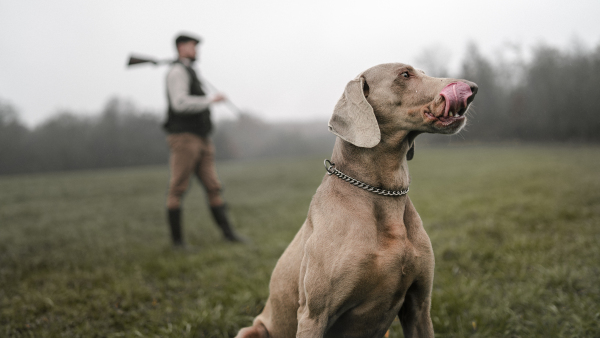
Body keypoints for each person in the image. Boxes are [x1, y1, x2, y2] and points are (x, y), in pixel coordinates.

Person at [163, 33, 244, 247]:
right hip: (184, 138)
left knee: (213, 186)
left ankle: (229, 235)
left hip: (202, 138)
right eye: (192, 46)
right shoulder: (177, 72)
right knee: (178, 188)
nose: (196, 50)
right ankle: (177, 243)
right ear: (181, 47)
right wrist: (211, 100)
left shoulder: (189, 70)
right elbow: (179, 103)